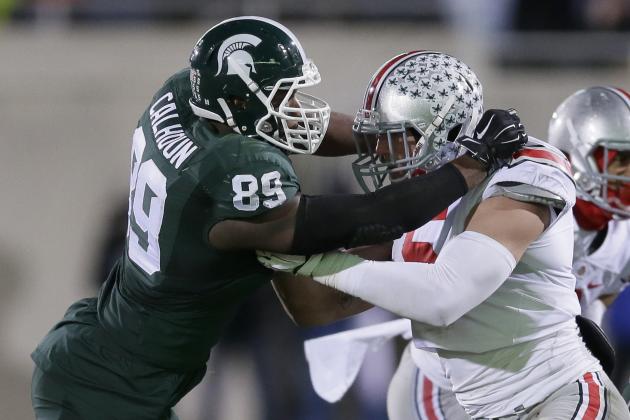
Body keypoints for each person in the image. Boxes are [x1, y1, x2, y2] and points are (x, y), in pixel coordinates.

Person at [29, 18, 525, 420]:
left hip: (105, 358)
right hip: (108, 390)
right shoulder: (233, 172)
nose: (296, 108)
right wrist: (469, 166)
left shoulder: (186, 96)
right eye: (285, 96)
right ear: (240, 102)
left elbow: (294, 129)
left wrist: (378, 136)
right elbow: (367, 217)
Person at [258, 51, 630, 419]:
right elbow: (317, 307)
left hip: (556, 393)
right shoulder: (416, 200)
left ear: (445, 130)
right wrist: (270, 235)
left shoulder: (524, 169)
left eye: (395, 135)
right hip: (465, 397)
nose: (381, 151)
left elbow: (445, 295)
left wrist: (321, 263)